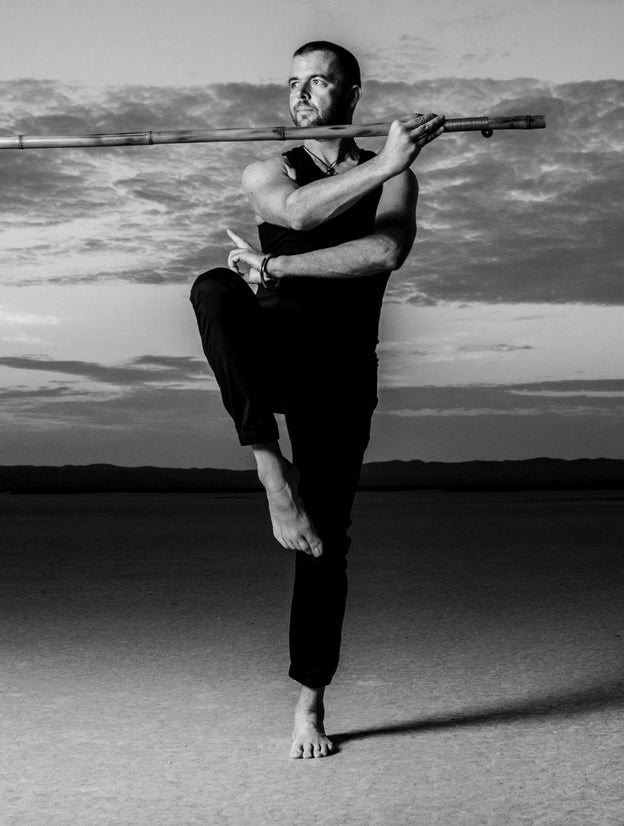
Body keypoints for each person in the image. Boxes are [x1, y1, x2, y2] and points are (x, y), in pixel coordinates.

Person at [189, 41, 444, 759]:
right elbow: (297, 213)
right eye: (292, 83)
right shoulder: (267, 169)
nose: (302, 95)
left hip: (340, 374)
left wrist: (274, 265)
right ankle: (272, 473)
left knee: (326, 542)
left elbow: (382, 255)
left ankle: (310, 704)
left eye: (320, 82)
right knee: (213, 288)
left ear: (353, 95)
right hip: (277, 353)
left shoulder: (396, 179)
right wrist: (384, 165)